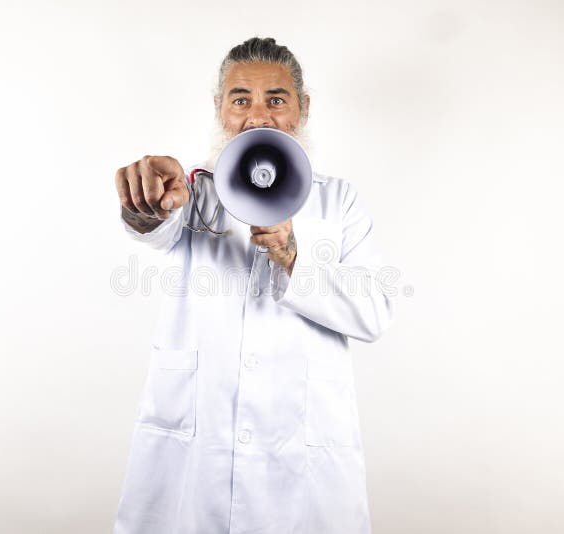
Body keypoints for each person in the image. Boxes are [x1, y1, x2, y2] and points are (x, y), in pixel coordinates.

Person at [112, 37, 395, 534]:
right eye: (240, 99)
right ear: (219, 109)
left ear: (303, 109)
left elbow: (374, 314)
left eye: (277, 100)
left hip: (301, 457)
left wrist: (293, 259)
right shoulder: (193, 192)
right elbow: (155, 225)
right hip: (201, 453)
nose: (258, 116)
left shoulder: (339, 203)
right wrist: (146, 203)